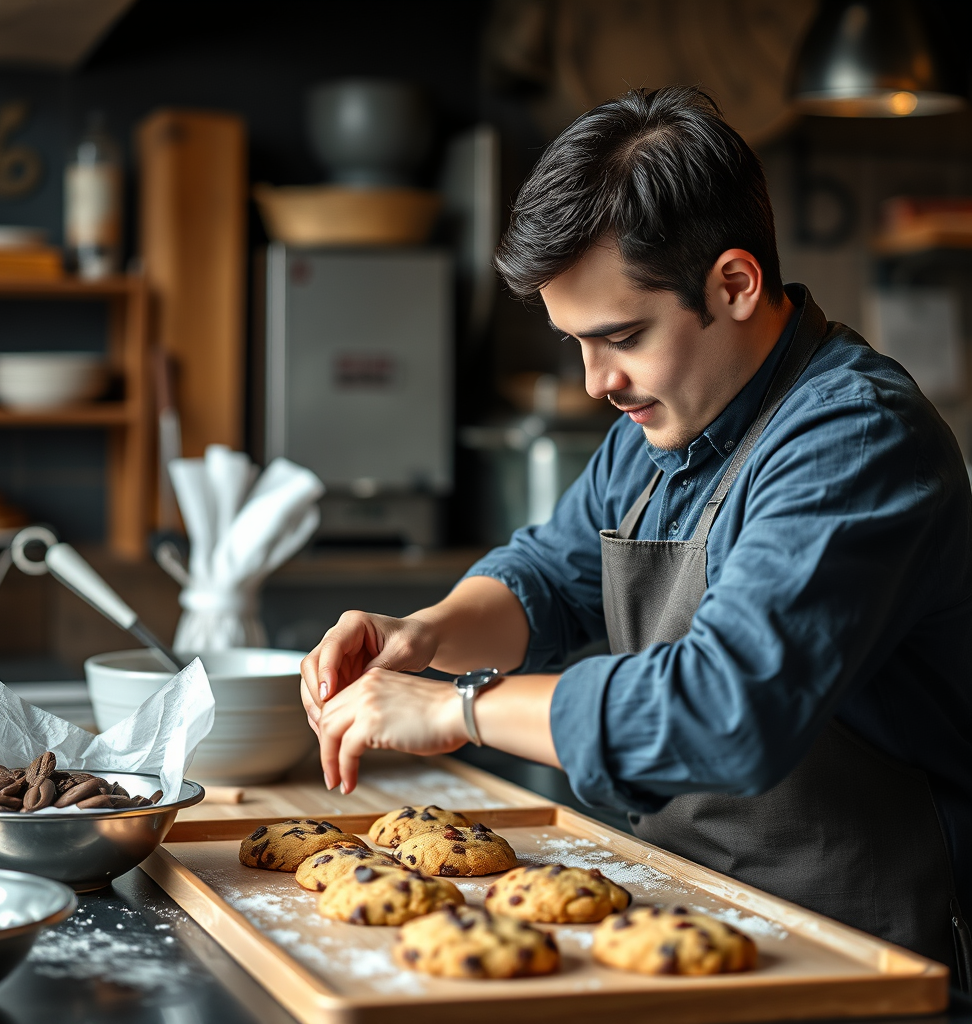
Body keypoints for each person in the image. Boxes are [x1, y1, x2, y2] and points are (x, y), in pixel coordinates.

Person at [300, 86, 971, 982]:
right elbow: (549, 576)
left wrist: (457, 707)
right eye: (576, 342)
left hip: (865, 949)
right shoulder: (659, 427)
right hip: (688, 915)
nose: (593, 382)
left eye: (620, 336)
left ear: (734, 284)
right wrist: (424, 636)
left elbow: (726, 708)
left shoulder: (855, 440)